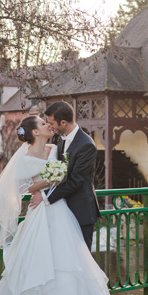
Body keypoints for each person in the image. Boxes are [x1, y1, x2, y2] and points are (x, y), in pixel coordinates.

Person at [0, 115, 117, 295]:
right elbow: (28, 187)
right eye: (42, 124)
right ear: (34, 133)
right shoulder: (25, 157)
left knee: (68, 258)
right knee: (40, 259)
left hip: (60, 208)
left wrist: (57, 178)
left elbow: (69, 172)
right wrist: (50, 179)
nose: (47, 125)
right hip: (40, 210)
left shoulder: (55, 147)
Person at [29, 101, 100, 250]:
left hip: (81, 211)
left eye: (52, 122)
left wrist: (44, 196)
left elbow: (76, 181)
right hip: (63, 211)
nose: (50, 126)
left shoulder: (86, 145)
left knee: (82, 260)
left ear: (63, 122)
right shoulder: (60, 139)